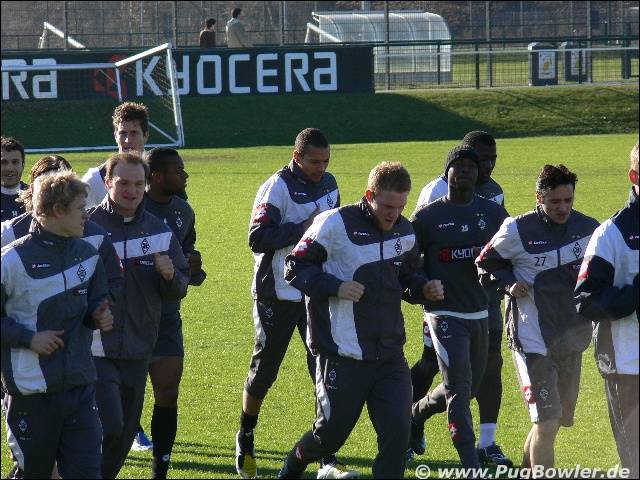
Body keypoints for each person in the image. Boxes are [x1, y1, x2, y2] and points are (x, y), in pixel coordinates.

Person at [277, 162, 444, 479]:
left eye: (400, 206)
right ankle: (295, 462)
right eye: (387, 206)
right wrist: (334, 286)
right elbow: (294, 266)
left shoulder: (405, 231)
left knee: (398, 435)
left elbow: (406, 277)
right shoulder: (334, 224)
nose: (394, 214)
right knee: (329, 436)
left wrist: (424, 288)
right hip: (342, 354)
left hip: (390, 355)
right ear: (369, 195)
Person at [237, 128, 351, 479]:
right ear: (296, 156)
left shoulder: (330, 184)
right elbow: (257, 238)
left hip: (314, 293)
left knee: (323, 370)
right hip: (276, 293)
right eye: (314, 161)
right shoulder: (277, 188)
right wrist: (304, 227)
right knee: (265, 371)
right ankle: (246, 435)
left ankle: (326, 455)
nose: (321, 168)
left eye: (326, 161)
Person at [476, 164, 599, 470]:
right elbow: (485, 262)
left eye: (568, 200)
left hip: (571, 339)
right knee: (547, 421)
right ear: (538, 198)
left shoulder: (589, 229)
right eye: (555, 201)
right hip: (532, 340)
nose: (563, 208)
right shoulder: (517, 230)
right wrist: (508, 283)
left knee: (553, 423)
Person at [409, 131, 512, 467]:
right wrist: (422, 288)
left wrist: (506, 280)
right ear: (448, 171)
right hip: (443, 312)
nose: (475, 168)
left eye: (477, 164)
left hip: (482, 307)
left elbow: (508, 249)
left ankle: (416, 414)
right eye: (462, 164)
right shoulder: (429, 209)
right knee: (452, 381)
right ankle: (470, 463)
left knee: (473, 381)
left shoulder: (493, 205)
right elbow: (409, 261)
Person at [1, 170, 113, 478]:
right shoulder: (10, 261)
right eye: (80, 208)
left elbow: (97, 300)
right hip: (30, 392)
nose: (87, 215)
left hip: (80, 386)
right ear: (58, 210)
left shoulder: (88, 255)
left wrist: (99, 314)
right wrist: (28, 338)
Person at [88, 152, 190, 478]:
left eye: (138, 184)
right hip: (94, 348)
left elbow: (179, 289)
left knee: (122, 433)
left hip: (139, 345)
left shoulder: (159, 231)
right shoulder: (86, 228)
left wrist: (170, 276)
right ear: (107, 182)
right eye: (123, 183)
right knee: (107, 424)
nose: (131, 191)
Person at [574, 143, 639, 478]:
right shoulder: (611, 234)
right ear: (634, 176)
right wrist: (634, 294)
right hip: (627, 366)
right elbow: (585, 300)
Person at [144, 147, 207, 479]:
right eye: (178, 171)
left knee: (168, 392)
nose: (185, 176)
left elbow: (186, 256)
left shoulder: (184, 211)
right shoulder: (133, 207)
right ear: (156, 176)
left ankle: (160, 471)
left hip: (168, 316)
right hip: (131, 318)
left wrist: (192, 267)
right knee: (123, 404)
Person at [82, 102, 150, 209]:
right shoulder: (96, 178)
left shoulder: (160, 174)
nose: (127, 140)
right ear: (115, 136)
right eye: (123, 133)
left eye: (134, 133)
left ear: (145, 135)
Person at [1, 136, 28, 222]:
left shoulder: (35, 196)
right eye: (3, 162)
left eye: (15, 162)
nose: (9, 168)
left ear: (23, 165)